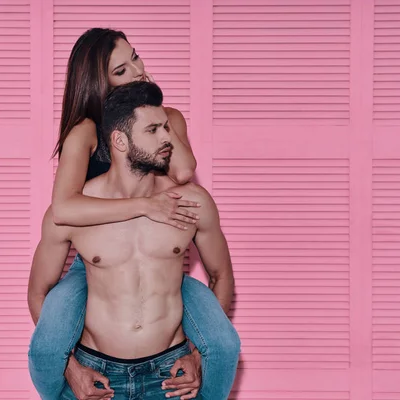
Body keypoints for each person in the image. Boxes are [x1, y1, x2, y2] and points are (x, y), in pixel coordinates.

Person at [27, 28, 240, 400]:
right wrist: (145, 206)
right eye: (121, 71)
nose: (138, 70)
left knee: (223, 344)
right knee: (46, 347)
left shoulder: (168, 121)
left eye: (136, 58)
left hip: (160, 261)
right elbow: (63, 208)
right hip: (92, 256)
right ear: (100, 83)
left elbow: (184, 171)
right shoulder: (86, 130)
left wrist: (157, 113)